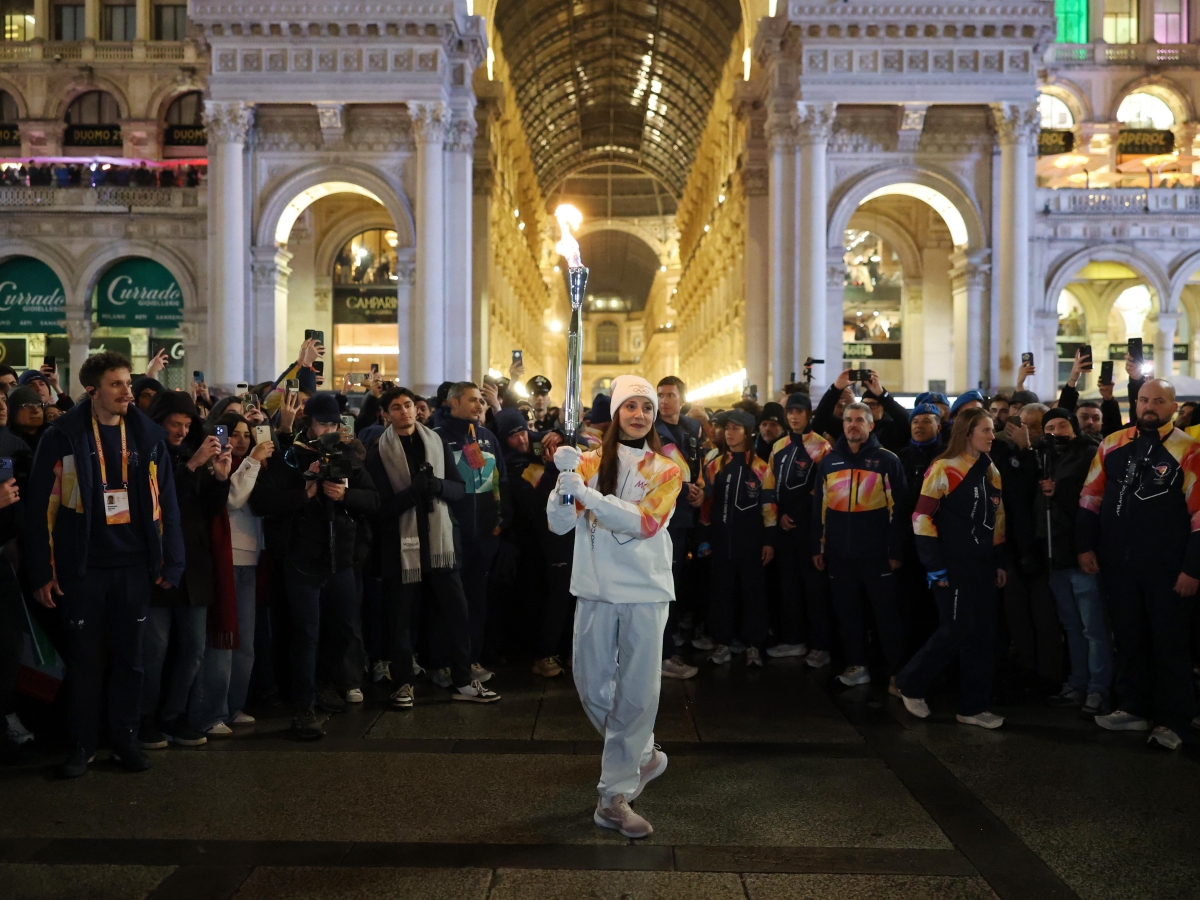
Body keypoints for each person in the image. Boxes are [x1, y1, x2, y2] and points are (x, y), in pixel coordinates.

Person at [26, 352, 184, 777]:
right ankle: (81, 746)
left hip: (134, 566)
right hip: (83, 568)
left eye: (128, 384)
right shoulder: (63, 436)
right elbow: (41, 508)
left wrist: (172, 561)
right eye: (116, 385)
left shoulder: (148, 437)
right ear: (92, 390)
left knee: (131, 660)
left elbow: (167, 502)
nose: (127, 392)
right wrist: (42, 570)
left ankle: (125, 741)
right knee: (85, 661)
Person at [547, 374, 682, 840]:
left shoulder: (666, 469)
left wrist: (585, 494)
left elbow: (644, 523)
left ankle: (613, 796)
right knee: (592, 687)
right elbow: (560, 523)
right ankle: (643, 754)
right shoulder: (584, 462)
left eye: (647, 407)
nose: (640, 414)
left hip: (645, 590)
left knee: (638, 692)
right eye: (631, 407)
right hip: (594, 587)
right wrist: (563, 483)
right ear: (616, 413)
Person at [1077, 378, 1200, 750]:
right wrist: (1084, 546)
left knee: (1170, 644)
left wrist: (1193, 568)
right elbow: (1089, 498)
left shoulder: (1189, 449)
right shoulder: (1112, 443)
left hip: (1167, 566)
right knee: (1129, 638)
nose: (1149, 406)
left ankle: (1174, 721)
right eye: (1144, 399)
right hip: (1118, 564)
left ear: (1173, 406)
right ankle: (1133, 707)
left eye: (1158, 400)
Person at [250, 393, 379, 740]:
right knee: (305, 634)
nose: (329, 430)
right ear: (309, 423)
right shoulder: (291, 455)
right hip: (303, 561)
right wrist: (304, 492)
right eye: (323, 423)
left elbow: (373, 499)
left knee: (343, 627)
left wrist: (345, 495)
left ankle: (329, 686)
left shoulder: (350, 454)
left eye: (334, 424)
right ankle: (303, 707)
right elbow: (263, 501)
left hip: (341, 561)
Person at [364, 387, 499, 708]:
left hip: (440, 543)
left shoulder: (434, 443)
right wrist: (413, 493)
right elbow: (378, 507)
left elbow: (458, 488)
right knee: (400, 618)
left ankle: (463, 680)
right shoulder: (378, 452)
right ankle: (403, 684)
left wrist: (435, 486)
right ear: (386, 414)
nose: (404, 412)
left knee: (457, 610)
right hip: (401, 547)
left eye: (408, 405)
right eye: (396, 408)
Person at [895, 408, 1009, 729]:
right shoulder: (944, 468)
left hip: (982, 567)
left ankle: (973, 708)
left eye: (992, 430)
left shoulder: (992, 471)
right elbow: (921, 517)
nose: (991, 436)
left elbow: (996, 520)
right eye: (985, 430)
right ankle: (909, 683)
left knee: (983, 635)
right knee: (955, 629)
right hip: (951, 566)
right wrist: (934, 565)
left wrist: (999, 561)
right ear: (966, 433)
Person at [140, 390, 232, 750]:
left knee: (193, 647)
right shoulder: (147, 453)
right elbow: (161, 500)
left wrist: (220, 478)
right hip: (161, 565)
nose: (180, 431)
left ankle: (174, 715)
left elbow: (206, 509)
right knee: (155, 649)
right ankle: (146, 718)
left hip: (194, 565)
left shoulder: (194, 453)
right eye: (173, 424)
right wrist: (192, 465)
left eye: (187, 424)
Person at [812, 401, 908, 688]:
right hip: (840, 554)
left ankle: (896, 672)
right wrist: (818, 547)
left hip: (877, 554)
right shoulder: (829, 461)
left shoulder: (887, 460)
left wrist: (895, 550)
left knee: (886, 615)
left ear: (870, 425)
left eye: (858, 420)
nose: (852, 425)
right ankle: (858, 665)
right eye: (848, 420)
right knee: (847, 614)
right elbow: (821, 507)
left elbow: (900, 510)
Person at [188, 413, 273, 737]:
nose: (241, 440)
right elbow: (233, 500)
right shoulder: (218, 463)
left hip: (250, 559)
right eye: (234, 433)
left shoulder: (255, 465)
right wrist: (250, 460)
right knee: (221, 644)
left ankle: (234, 705)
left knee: (245, 645)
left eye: (246, 435)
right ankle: (212, 712)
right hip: (225, 560)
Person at [1036, 408, 1112, 718]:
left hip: (1081, 554)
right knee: (1072, 626)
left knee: (1093, 628)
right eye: (1050, 426)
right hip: (1055, 558)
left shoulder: (1089, 453)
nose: (1057, 431)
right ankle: (1077, 683)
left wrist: (1060, 491)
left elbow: (1094, 499)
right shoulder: (1043, 458)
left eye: (1062, 424)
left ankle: (1098, 688)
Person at [435, 382, 509, 681]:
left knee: (477, 601)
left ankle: (472, 660)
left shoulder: (487, 437)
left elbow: (499, 480)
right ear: (453, 403)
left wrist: (501, 520)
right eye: (473, 400)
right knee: (448, 604)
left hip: (484, 536)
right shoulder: (437, 437)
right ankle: (442, 663)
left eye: (482, 401)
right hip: (452, 535)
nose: (480, 406)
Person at [702, 409, 776, 666]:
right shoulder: (714, 464)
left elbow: (769, 507)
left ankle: (753, 645)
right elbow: (706, 505)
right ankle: (723, 643)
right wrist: (705, 538)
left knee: (753, 593)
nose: (729, 433)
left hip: (751, 541)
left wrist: (769, 540)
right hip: (721, 540)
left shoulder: (761, 467)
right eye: (727, 428)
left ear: (748, 433)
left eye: (735, 428)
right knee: (721, 592)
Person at [766, 392, 832, 666]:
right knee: (788, 586)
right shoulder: (779, 446)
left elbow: (823, 489)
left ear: (808, 414)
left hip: (809, 529)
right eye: (789, 412)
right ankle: (794, 639)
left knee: (814, 588)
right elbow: (770, 486)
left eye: (798, 411)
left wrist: (795, 513)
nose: (793, 416)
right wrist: (778, 516)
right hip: (784, 530)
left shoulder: (822, 447)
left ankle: (821, 645)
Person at [654, 376, 703, 679]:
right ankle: (663, 653)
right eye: (660, 395)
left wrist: (700, 492)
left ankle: (669, 646)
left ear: (681, 399)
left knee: (677, 586)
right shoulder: (652, 430)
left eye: (670, 395)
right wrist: (687, 491)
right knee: (663, 587)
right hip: (663, 518)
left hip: (686, 518)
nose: (664, 401)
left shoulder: (692, 428)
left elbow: (696, 469)